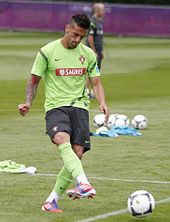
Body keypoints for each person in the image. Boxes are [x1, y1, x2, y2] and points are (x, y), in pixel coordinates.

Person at [18, 13, 109, 213]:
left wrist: (102, 101)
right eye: (75, 34)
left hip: (80, 107)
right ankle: (83, 182)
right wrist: (28, 102)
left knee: (77, 154)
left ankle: (51, 201)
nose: (77, 40)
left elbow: (96, 82)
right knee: (61, 138)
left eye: (81, 37)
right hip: (56, 106)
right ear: (67, 28)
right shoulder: (47, 51)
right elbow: (34, 80)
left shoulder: (88, 55)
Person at [86, 3, 105, 98]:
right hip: (93, 51)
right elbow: (90, 38)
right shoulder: (92, 22)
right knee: (90, 71)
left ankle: (93, 91)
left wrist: (101, 51)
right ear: (97, 11)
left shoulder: (99, 22)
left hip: (98, 51)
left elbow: (99, 39)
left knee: (95, 72)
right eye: (102, 10)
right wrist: (93, 51)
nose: (104, 12)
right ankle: (86, 91)